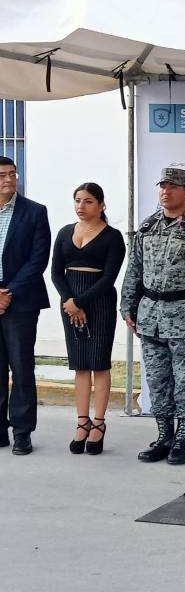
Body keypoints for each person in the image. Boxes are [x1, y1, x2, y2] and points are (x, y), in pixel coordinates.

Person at [120, 167, 185, 465]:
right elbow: (134, 269)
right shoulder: (148, 226)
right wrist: (127, 306)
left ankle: (182, 438)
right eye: (163, 186)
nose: (166, 192)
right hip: (150, 316)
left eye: (174, 187)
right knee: (157, 379)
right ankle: (164, 435)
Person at [51, 183, 125, 455]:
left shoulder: (113, 237)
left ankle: (99, 423)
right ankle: (82, 422)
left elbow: (109, 278)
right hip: (70, 302)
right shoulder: (64, 232)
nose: (81, 206)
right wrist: (70, 302)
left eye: (88, 201)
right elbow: (56, 273)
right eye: (77, 200)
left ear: (101, 205)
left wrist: (80, 302)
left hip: (99, 302)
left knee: (99, 364)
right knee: (80, 364)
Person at [0, 157, 50, 455]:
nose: (8, 179)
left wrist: (9, 292)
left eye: (12, 174)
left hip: (21, 301)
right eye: (2, 175)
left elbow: (39, 257)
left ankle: (22, 432)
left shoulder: (34, 212)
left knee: (21, 367)